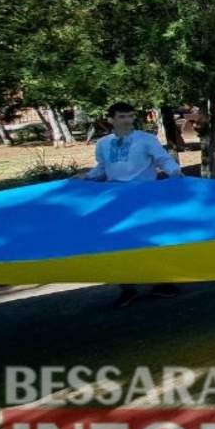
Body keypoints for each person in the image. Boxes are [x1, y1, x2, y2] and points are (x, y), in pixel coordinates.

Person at [84, 102, 185, 308]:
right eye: (122, 117)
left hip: (144, 197)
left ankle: (162, 282)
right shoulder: (103, 143)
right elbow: (102, 169)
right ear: (111, 119)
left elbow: (163, 160)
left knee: (149, 240)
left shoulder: (146, 139)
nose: (128, 120)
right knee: (117, 244)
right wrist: (84, 178)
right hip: (116, 199)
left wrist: (176, 174)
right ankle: (127, 288)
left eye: (130, 116)